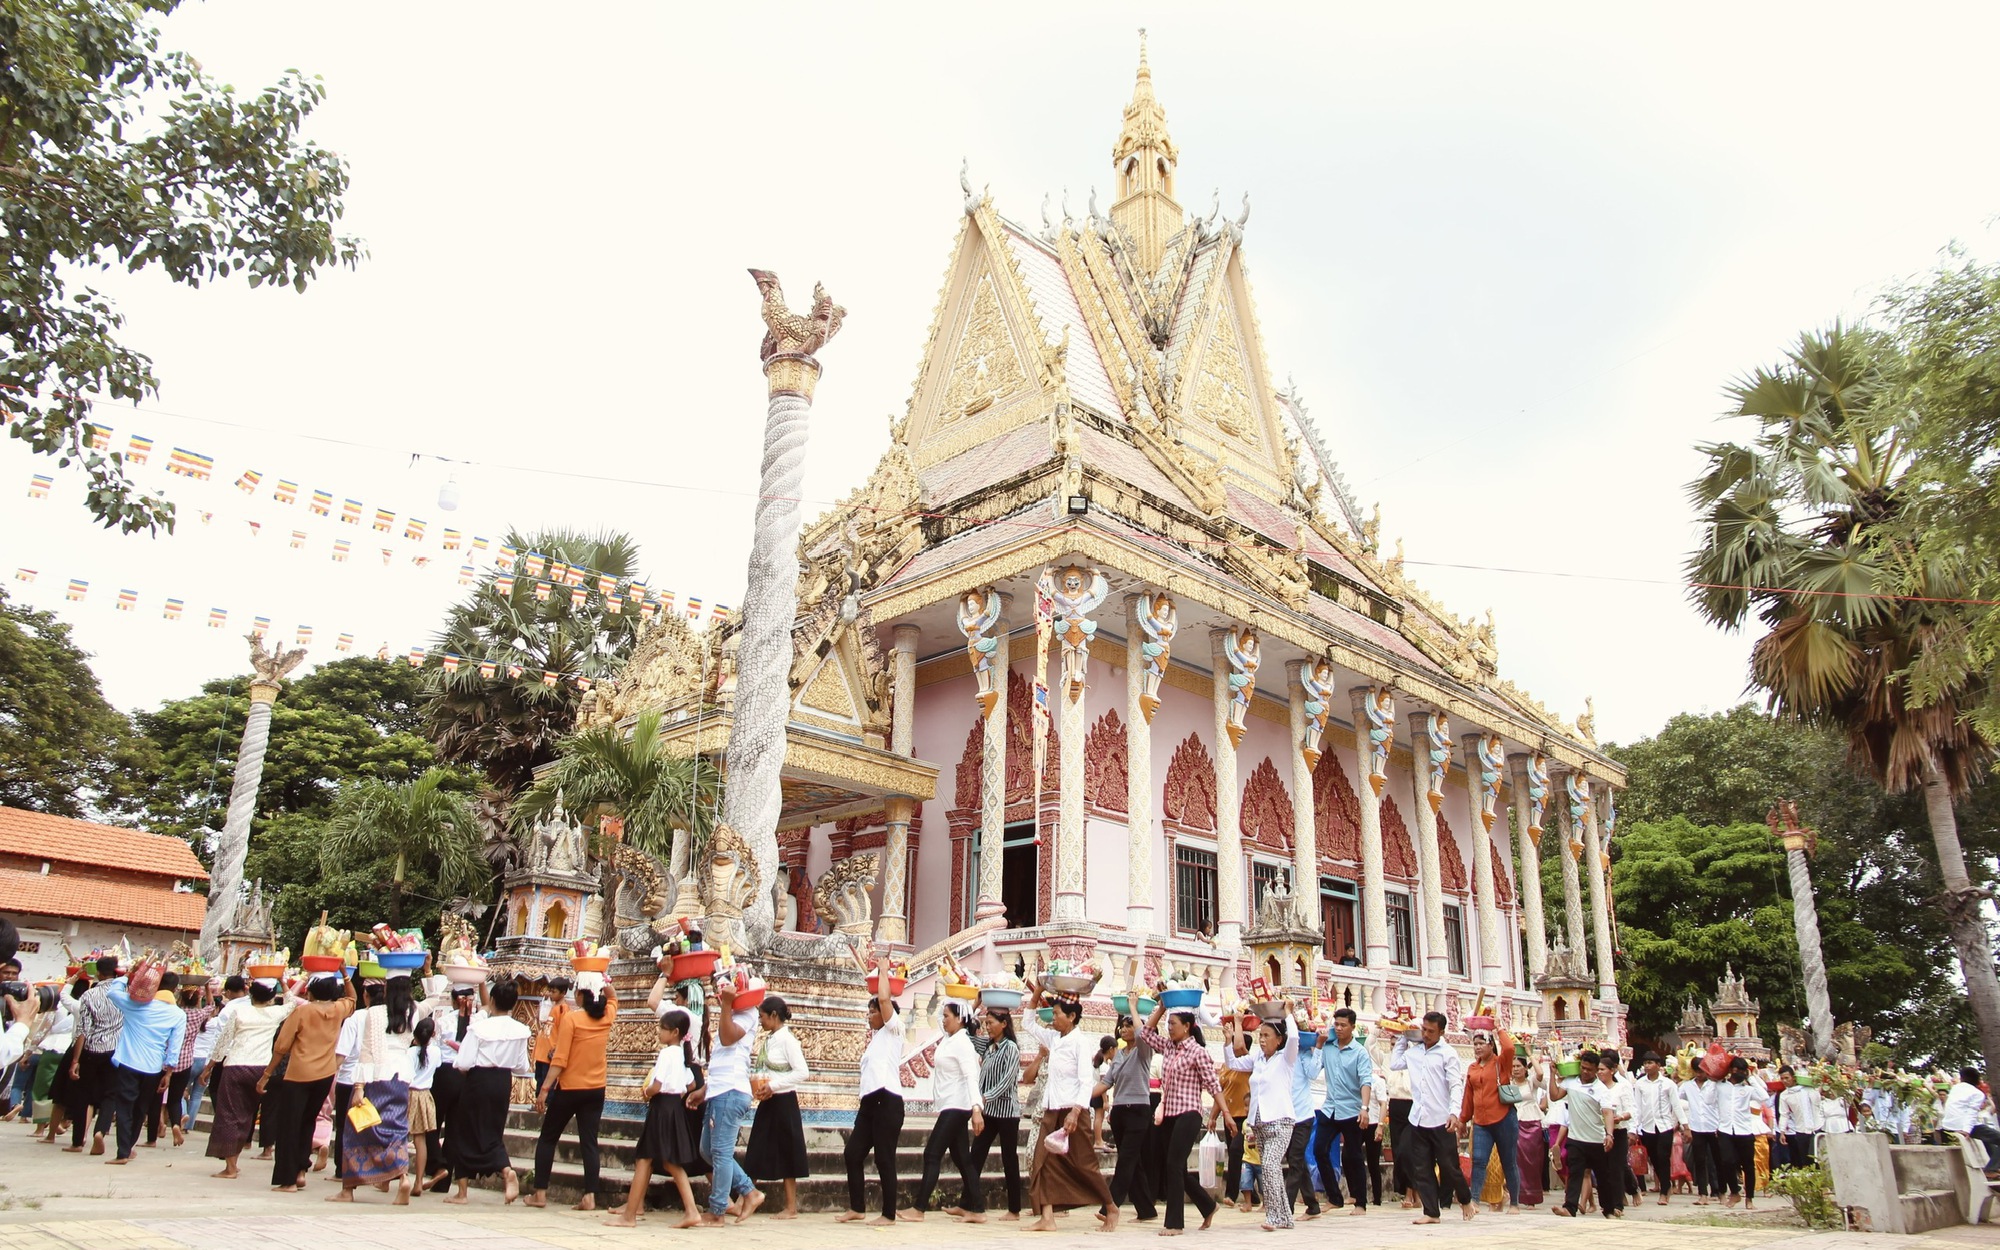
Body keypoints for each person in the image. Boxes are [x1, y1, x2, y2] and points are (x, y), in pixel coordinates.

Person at [1021, 986, 1118, 1234]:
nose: (1053, 1019)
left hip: (1073, 1112)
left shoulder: (1080, 1043)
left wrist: (1075, 1112)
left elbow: (1086, 1081)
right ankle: (1047, 1216)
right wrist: (1037, 992)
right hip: (1051, 1109)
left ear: (1071, 1016)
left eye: (1056, 1014)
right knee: (1044, 1162)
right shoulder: (1054, 1039)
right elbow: (1028, 1023)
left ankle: (1111, 1206)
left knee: (1084, 1163)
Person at [605, 1008, 707, 1229]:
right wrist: (677, 1092)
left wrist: (646, 1092)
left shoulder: (666, 1054)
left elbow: (657, 1085)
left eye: (663, 1028)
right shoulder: (682, 1054)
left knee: (644, 1158)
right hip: (674, 1107)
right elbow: (690, 1085)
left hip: (661, 1107)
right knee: (670, 1161)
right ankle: (690, 1210)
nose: (659, 1032)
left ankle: (629, 1215)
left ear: (675, 1032)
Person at [1142, 997, 1231, 1235]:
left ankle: (1174, 1223)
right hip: (1169, 1114)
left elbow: (1213, 1086)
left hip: (1189, 1113)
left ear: (1187, 1026)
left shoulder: (1197, 1052)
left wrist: (1226, 1114)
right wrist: (1161, 1007)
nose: (1169, 1027)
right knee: (1176, 1168)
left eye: (1173, 1023)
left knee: (1173, 1164)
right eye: (1168, 1024)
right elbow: (1147, 1034)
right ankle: (1207, 1205)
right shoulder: (1169, 1047)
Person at [527, 971, 616, 1210]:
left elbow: (560, 1059)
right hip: (596, 1088)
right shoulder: (607, 1015)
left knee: (548, 1138)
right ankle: (590, 1196)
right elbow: (614, 998)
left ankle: (540, 1193)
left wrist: (544, 1089)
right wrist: (603, 979)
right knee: (589, 1142)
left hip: (569, 1088)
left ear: (579, 995)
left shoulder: (573, 1019)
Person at [332, 972, 423, 1203]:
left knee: (356, 1129)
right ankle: (402, 1177)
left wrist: (359, 1086)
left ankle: (348, 1189)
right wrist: (429, 970)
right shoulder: (413, 1012)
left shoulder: (374, 1013)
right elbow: (433, 996)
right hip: (401, 1076)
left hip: (376, 1076)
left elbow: (367, 1050)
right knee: (396, 1128)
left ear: (386, 990)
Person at [261, 973, 356, 1191]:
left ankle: (288, 1179)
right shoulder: (337, 1010)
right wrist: (345, 974)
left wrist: (267, 1074)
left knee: (289, 1126)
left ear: (311, 992)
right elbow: (352, 999)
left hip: (299, 1074)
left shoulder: (302, 1011)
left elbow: (281, 1046)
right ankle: (301, 1170)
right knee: (307, 1122)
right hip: (325, 1074)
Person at [442, 977, 529, 1204]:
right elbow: (522, 1066)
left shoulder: (479, 1028)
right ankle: (505, 1170)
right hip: (502, 1081)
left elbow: (463, 1062)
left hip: (478, 1080)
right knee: (492, 1131)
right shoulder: (520, 1030)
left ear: (492, 1000)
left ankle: (462, 1192)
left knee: (463, 1131)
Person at [838, 953, 907, 1226]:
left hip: (887, 1101)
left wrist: (883, 970)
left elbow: (885, 999)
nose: (870, 1015)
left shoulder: (895, 1030)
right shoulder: (876, 1040)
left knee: (884, 1158)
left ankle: (888, 1214)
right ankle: (857, 1207)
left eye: (873, 1011)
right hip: (869, 1103)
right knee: (853, 1153)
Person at [1223, 1009, 1304, 1231]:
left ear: (1279, 1040)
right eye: (1261, 1035)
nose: (1262, 1040)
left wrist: (1287, 1013)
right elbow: (1233, 1062)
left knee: (1268, 1166)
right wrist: (1228, 1039)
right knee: (1273, 1169)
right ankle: (1285, 1216)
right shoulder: (1257, 1059)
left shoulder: (1285, 1059)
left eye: (1267, 1036)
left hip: (1281, 1121)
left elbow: (1294, 1038)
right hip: (1259, 1122)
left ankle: (1274, 1216)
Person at [100, 962, 188, 1164]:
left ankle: (123, 1152)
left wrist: (129, 976)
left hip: (129, 1062)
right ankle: (128, 1147)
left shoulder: (135, 1004)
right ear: (175, 990)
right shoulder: (177, 1014)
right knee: (141, 1108)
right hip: (154, 1067)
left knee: (124, 1106)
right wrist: (168, 1072)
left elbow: (113, 993)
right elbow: (174, 1047)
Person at [692, 970, 761, 1224]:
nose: (719, 994)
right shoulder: (729, 1013)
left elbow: (727, 1037)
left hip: (731, 1092)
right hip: (719, 1090)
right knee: (707, 1150)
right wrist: (705, 1090)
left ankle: (718, 1209)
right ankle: (749, 1191)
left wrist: (729, 1005)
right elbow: (721, 1058)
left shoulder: (748, 1013)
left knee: (720, 1152)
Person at [205, 977, 291, 1178]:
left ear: (251, 995)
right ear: (271, 998)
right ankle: (234, 1160)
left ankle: (231, 1166)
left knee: (229, 1115)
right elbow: (292, 1001)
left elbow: (223, 1043)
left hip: (235, 1066)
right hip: (261, 1069)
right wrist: (282, 981)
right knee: (247, 1116)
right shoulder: (274, 1013)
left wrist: (209, 1067)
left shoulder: (239, 1011)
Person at [908, 999, 985, 1221]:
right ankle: (977, 1209)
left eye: (947, 1016)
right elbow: (958, 1017)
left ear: (959, 1019)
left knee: (932, 1153)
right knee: (963, 1159)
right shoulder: (950, 1039)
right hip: (950, 1104)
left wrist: (976, 1107)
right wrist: (971, 1003)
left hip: (957, 1105)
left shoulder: (962, 1044)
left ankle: (919, 1208)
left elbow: (971, 1076)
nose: (943, 1020)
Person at [744, 994, 812, 1219]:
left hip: (784, 1101)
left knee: (787, 1152)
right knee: (755, 1148)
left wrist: (774, 1085)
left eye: (763, 1016)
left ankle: (791, 1207)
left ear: (774, 1016)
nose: (760, 1020)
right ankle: (745, 1198)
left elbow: (802, 1071)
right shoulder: (771, 1039)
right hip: (769, 1101)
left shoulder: (787, 1040)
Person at [1311, 1007, 1374, 1217]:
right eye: (1336, 1024)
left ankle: (1360, 1203)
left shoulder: (1360, 1052)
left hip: (1351, 1109)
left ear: (1352, 1028)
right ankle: (1334, 1197)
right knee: (1320, 1149)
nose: (1338, 1029)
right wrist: (1318, 1046)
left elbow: (1366, 1081)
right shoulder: (1328, 1047)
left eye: (1343, 1025)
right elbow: (1312, 1072)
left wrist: (1364, 1109)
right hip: (1330, 1107)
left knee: (1354, 1156)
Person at [1094, 1013, 1156, 1223]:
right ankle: (1146, 1209)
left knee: (1126, 1161)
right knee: (1133, 1161)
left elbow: (1142, 1034)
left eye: (1128, 1026)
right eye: (1122, 1026)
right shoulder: (1119, 1055)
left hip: (1138, 1110)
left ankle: (1109, 1207)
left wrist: (1132, 1008)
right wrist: (1081, 1098)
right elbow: (1107, 1082)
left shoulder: (1143, 1051)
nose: (1124, 1029)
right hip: (1120, 1111)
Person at [966, 1003, 1025, 1222]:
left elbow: (1007, 1082)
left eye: (990, 1023)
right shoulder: (988, 1046)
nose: (987, 1027)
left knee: (1009, 1159)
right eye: (985, 1023)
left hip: (1007, 1113)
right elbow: (966, 1036)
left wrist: (984, 1097)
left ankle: (1014, 1209)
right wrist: (973, 1006)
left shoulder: (1010, 1048)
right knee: (975, 1155)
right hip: (989, 1112)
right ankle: (967, 1203)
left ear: (1004, 1024)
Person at [64, 955, 122, 1155]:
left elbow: (82, 1030)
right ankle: (101, 1130)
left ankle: (78, 1141)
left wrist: (75, 1060)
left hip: (91, 1050)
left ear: (98, 972)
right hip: (115, 1051)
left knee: (83, 1095)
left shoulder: (89, 995)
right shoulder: (124, 994)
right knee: (110, 1094)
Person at [1549, 1050, 1615, 1218]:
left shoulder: (1601, 1089)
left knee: (1603, 1177)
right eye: (1583, 1068)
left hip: (1596, 1139)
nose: (1586, 1072)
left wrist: (1609, 1134)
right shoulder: (1571, 1082)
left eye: (1590, 1069)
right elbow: (1555, 1096)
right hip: (1576, 1138)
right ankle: (1570, 1208)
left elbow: (1607, 1113)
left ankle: (1608, 1209)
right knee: (1575, 1174)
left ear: (1596, 1070)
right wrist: (1552, 1075)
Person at [426, 984, 478, 1195]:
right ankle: (443, 1181)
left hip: (445, 1073)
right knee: (455, 1130)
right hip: (466, 1075)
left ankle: (437, 1165)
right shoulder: (478, 1023)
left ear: (454, 999)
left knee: (432, 1124)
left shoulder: (443, 1021)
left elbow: (434, 1050)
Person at [1461, 1026, 1519, 1213]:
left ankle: (1515, 1203)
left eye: (1481, 1043)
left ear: (1491, 1045)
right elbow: (1468, 1096)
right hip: (1481, 1122)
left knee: (1508, 1161)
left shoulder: (1500, 1063)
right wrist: (1463, 1119)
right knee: (1478, 1160)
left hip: (1504, 1118)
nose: (1477, 1047)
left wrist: (1499, 1029)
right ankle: (1475, 1201)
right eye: (1475, 1044)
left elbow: (1509, 1048)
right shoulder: (1473, 1068)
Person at [1714, 1056, 1768, 1209]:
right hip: (1725, 1129)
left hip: (1744, 1130)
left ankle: (1749, 1198)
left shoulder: (1748, 1089)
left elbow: (1764, 1097)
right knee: (1727, 1162)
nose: (1738, 1073)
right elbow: (1708, 1099)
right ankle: (1734, 1192)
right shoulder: (1720, 1086)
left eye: (1742, 1071)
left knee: (1748, 1165)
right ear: (1731, 1070)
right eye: (1736, 1070)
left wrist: (1751, 1078)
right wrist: (1716, 1078)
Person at [401, 1016, 442, 1202]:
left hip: (409, 1094)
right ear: (432, 1034)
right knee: (420, 1140)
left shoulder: (409, 1053)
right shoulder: (436, 1052)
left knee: (400, 1138)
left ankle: (399, 1178)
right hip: (425, 1095)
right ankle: (418, 1181)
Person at [1632, 1052, 1682, 1205]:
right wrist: (1634, 1128)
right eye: (1645, 1063)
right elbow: (1638, 1107)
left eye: (1651, 1063)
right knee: (1654, 1158)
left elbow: (1676, 1106)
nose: (1647, 1066)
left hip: (1665, 1126)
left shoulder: (1668, 1084)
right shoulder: (1640, 1084)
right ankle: (1666, 1185)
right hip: (1647, 1127)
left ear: (1658, 1066)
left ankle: (1664, 1190)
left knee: (1663, 1157)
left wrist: (1684, 1125)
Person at [1942, 1067, 2000, 1176]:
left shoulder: (1955, 1088)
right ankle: (1991, 1169)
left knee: (1989, 1139)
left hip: (1949, 1124)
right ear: (1977, 1080)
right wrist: (1966, 1130)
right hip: (1965, 1125)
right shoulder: (1977, 1093)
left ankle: (1993, 1166)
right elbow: (1971, 1113)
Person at [1217, 1030, 1252, 1208]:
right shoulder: (1226, 1065)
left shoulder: (1248, 1065)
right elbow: (1220, 1092)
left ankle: (1232, 1193)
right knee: (1235, 1153)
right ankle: (1253, 1197)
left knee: (1238, 1151)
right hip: (1229, 1114)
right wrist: (1214, 1116)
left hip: (1244, 1117)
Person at [1596, 1049, 1633, 1215]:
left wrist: (1620, 1117)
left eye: (1602, 1069)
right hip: (1599, 1132)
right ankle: (1607, 1203)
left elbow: (1630, 1109)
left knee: (1617, 1168)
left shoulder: (1621, 1088)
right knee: (1603, 1169)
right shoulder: (1596, 1089)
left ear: (1612, 1071)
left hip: (1618, 1132)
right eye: (1598, 1070)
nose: (1600, 1073)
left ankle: (1618, 1204)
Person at [1512, 1054, 1547, 1207]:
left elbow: (1540, 1073)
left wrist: (1529, 1053)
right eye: (1513, 1066)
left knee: (1532, 1161)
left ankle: (1531, 1198)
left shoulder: (1531, 1082)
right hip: (1514, 1122)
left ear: (1525, 1068)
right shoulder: (1508, 1082)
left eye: (1518, 1066)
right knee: (1516, 1160)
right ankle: (1516, 1195)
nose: (1515, 1069)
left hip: (1532, 1123)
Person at [1684, 1063, 1721, 1204]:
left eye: (1702, 1071)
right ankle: (1702, 1193)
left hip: (1714, 1126)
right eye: (1697, 1071)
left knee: (1715, 1160)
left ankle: (1717, 1189)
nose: (1700, 1074)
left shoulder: (1714, 1085)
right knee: (1699, 1160)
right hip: (1696, 1127)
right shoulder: (1687, 1086)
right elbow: (1676, 1096)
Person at [1774, 1065, 1820, 1171]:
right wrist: (1782, 1132)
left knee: (1819, 1159)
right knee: (1805, 1160)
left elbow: (1818, 1102)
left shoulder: (1808, 1089)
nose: (1785, 1081)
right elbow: (1784, 1114)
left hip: (1816, 1128)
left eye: (1787, 1078)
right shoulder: (1784, 1095)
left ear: (1793, 1077)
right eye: (1782, 1078)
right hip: (1800, 1130)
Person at [531, 976, 572, 1092]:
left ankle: (546, 1104)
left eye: (554, 992)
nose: (551, 994)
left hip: (550, 1052)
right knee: (539, 1078)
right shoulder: (552, 1007)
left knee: (547, 1081)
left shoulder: (563, 1009)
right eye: (550, 991)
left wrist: (557, 1048)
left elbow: (564, 1031)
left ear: (563, 992)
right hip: (542, 1052)